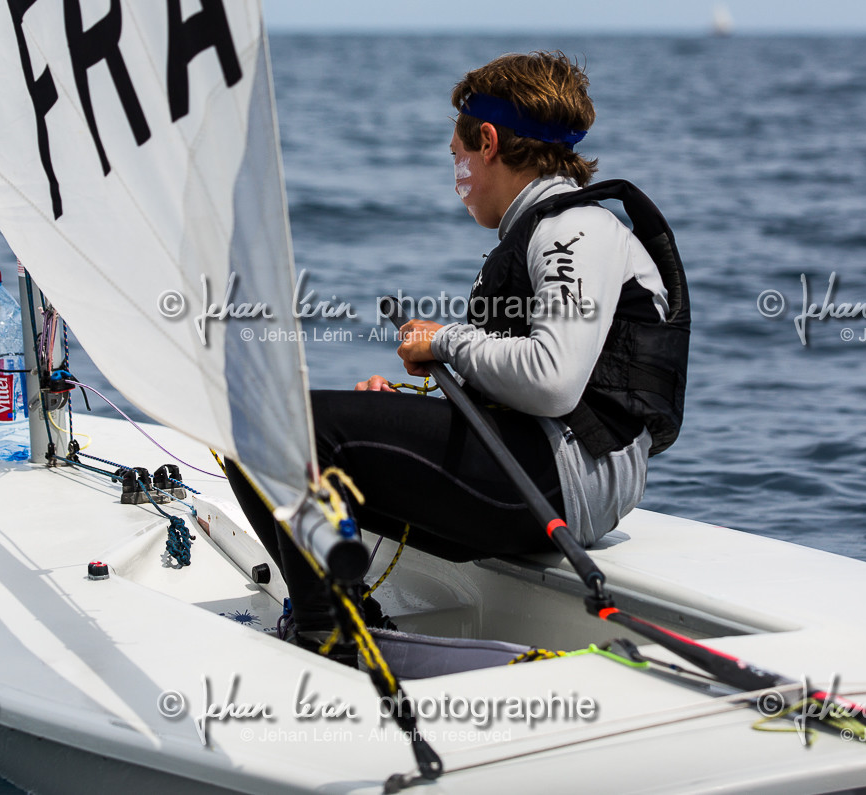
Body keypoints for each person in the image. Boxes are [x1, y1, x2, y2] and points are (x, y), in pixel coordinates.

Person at [227, 50, 690, 657]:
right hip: (537, 465)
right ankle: (341, 609)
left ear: (489, 142)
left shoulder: (575, 230)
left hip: (569, 483)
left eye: (458, 155)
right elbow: (522, 387)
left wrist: (446, 340)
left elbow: (553, 382)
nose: (457, 173)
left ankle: (329, 636)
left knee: (283, 426)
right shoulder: (543, 232)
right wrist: (403, 415)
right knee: (266, 431)